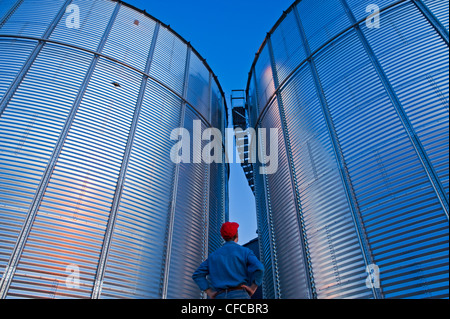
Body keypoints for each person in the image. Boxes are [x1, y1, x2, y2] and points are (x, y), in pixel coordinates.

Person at [192, 222, 264, 299]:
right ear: (237, 234)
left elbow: (197, 275)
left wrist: (210, 292)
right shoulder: (245, 252)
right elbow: (259, 268)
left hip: (220, 296)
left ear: (223, 237)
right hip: (240, 295)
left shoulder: (213, 256)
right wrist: (253, 288)